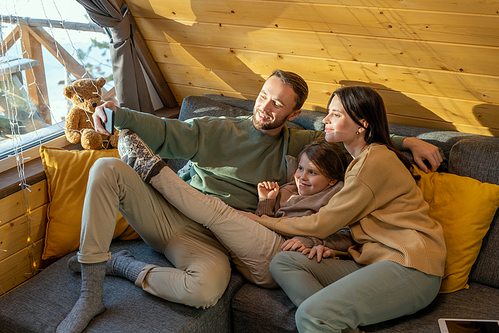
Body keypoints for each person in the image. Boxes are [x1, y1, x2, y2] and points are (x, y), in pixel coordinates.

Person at [57, 70, 442, 333]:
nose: (265, 107)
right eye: (263, 97)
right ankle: (91, 293)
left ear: (293, 115)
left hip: (215, 240)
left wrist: (407, 140)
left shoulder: (309, 146)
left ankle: (123, 265)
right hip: (168, 217)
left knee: (206, 291)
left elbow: (354, 143)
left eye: (278, 105)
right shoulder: (216, 129)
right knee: (106, 168)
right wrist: (116, 114)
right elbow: (166, 130)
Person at [256, 86, 447, 333]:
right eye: (328, 113)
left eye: (335, 114)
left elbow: (322, 224)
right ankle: (332, 319)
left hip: (411, 265)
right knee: (284, 262)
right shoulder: (360, 159)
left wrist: (259, 218)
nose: (326, 120)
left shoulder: (374, 161)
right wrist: (335, 250)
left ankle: (322, 318)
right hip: (373, 260)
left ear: (362, 124)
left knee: (312, 316)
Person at [117, 135, 356, 287]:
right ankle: (150, 191)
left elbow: (346, 236)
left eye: (312, 173)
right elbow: (265, 223)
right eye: (301, 168)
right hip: (254, 256)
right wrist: (266, 202)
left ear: (333, 180)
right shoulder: (288, 188)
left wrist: (308, 240)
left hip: (282, 259)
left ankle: (154, 172)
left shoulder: (337, 194)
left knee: (220, 213)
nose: (302, 177)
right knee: (216, 225)